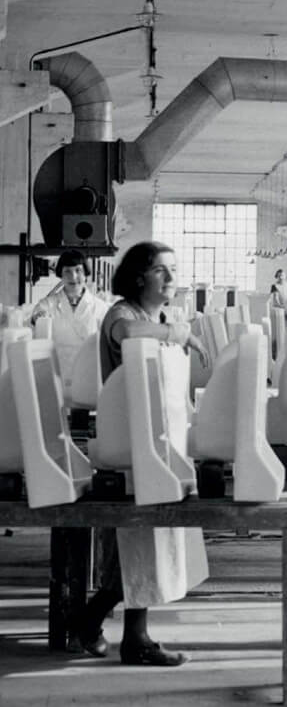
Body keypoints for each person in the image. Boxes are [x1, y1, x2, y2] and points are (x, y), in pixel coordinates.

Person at [74, 241, 210, 667]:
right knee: (140, 543)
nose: (171, 279)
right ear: (137, 277)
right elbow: (131, 337)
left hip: (159, 440)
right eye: (160, 271)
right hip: (131, 444)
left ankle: (109, 627)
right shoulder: (123, 315)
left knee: (153, 542)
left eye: (174, 269)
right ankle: (126, 635)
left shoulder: (161, 316)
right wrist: (180, 334)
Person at [29, 249, 109, 396]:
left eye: (78, 270)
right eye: (67, 271)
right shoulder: (49, 303)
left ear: (85, 273)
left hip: (88, 374)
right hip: (57, 372)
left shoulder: (100, 307)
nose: (73, 277)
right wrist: (39, 317)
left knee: (82, 412)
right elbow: (35, 317)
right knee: (56, 412)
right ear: (61, 275)